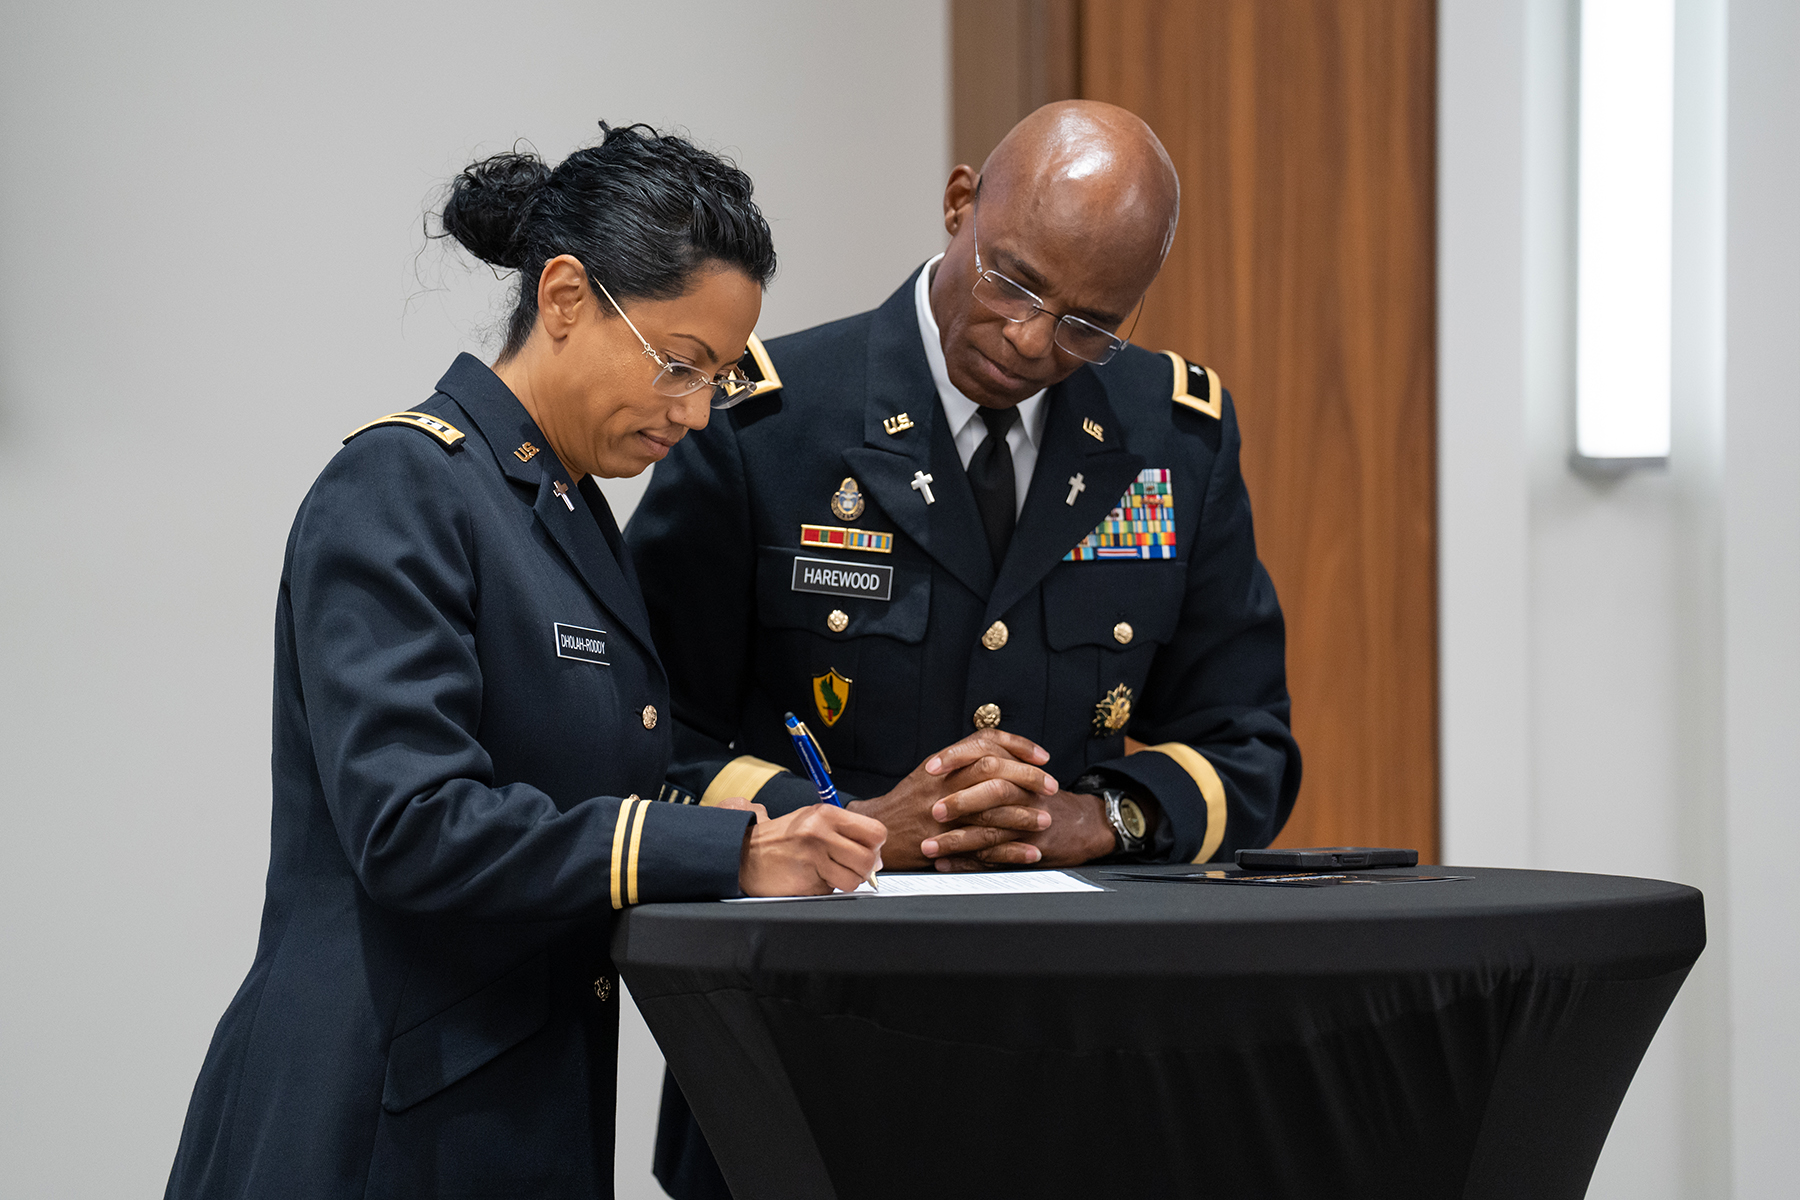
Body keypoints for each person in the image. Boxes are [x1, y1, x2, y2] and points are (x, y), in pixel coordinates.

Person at [162, 123, 885, 1200]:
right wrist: (721, 855)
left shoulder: (567, 508)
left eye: (718, 379)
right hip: (376, 1118)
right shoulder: (402, 488)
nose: (694, 412)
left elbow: (604, 776)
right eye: (679, 365)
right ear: (563, 298)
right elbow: (415, 828)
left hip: (511, 1104)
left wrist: (784, 826)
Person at [627, 101, 1302, 1198]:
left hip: (1087, 1071)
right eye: (1016, 284)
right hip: (804, 1051)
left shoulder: (1174, 437)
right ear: (957, 207)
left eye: (1091, 323)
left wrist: (1102, 819)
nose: (1035, 342)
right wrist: (845, 832)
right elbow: (645, 738)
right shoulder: (762, 423)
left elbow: (1249, 745)